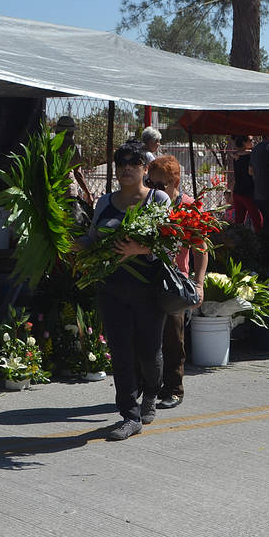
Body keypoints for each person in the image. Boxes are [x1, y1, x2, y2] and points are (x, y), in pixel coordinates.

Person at [74, 143, 171, 441]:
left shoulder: (158, 199)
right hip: (111, 288)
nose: (126, 168)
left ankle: (151, 392)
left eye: (133, 163)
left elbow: (171, 241)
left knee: (149, 352)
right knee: (120, 351)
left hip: (149, 289)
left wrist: (139, 249)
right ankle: (129, 415)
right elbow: (92, 238)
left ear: (144, 168)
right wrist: (71, 244)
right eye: (121, 163)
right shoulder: (105, 202)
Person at [147, 155, 208, 409]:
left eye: (160, 185)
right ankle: (149, 387)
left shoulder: (188, 207)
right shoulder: (147, 204)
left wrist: (199, 283)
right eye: (151, 183)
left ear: (175, 182)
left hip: (175, 282)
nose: (155, 189)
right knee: (147, 338)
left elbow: (200, 248)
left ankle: (174, 389)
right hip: (148, 278)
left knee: (173, 338)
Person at [55, 116, 94, 226]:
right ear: (71, 132)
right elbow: (77, 172)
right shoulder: (70, 145)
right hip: (67, 192)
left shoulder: (51, 144)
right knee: (72, 224)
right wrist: (88, 193)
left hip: (52, 191)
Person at [230, 135, 262, 232]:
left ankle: (238, 238)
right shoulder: (251, 156)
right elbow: (251, 172)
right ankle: (261, 238)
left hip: (237, 191)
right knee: (257, 219)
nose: (253, 142)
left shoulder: (236, 155)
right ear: (244, 142)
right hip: (248, 192)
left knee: (239, 221)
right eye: (251, 140)